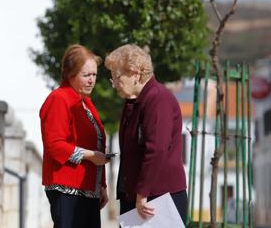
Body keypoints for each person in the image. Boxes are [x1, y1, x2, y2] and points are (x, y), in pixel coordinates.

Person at [104, 44, 187, 224]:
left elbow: (156, 150)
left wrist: (142, 194)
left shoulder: (158, 99)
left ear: (135, 73)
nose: (115, 84)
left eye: (117, 77)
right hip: (138, 197)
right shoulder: (133, 102)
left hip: (157, 199)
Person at [40, 44, 110, 228]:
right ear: (70, 74)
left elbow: (98, 146)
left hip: (88, 191)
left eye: (94, 75)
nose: (91, 81)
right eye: (86, 75)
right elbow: (55, 146)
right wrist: (89, 156)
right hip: (67, 190)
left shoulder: (86, 103)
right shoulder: (58, 99)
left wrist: (101, 186)